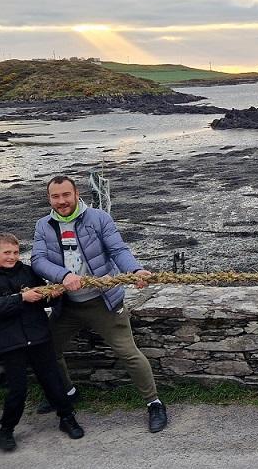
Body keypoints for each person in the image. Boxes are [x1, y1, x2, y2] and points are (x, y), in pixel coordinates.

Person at [32, 175, 167, 433]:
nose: (61, 201)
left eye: (65, 195)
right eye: (55, 196)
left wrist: (135, 270)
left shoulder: (99, 219)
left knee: (128, 353)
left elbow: (118, 250)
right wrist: (64, 276)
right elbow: (38, 260)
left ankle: (154, 403)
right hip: (66, 305)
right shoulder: (43, 226)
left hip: (103, 301)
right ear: (49, 198)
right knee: (47, 350)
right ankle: (68, 392)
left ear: (76, 194)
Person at [0, 233, 85, 451]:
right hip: (11, 342)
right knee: (17, 390)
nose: (12, 257)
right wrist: (20, 298)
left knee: (53, 381)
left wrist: (54, 294)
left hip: (39, 336)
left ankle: (67, 418)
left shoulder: (27, 272)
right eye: (6, 253)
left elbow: (43, 299)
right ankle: (7, 429)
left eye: (15, 252)